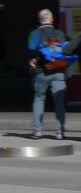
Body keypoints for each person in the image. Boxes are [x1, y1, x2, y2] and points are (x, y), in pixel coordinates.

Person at [28, 9, 71, 140]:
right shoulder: (60, 34)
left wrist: (33, 59)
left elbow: (30, 49)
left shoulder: (34, 33)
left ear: (40, 20)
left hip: (41, 72)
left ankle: (37, 130)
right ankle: (59, 132)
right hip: (58, 72)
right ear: (52, 20)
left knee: (39, 98)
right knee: (59, 101)